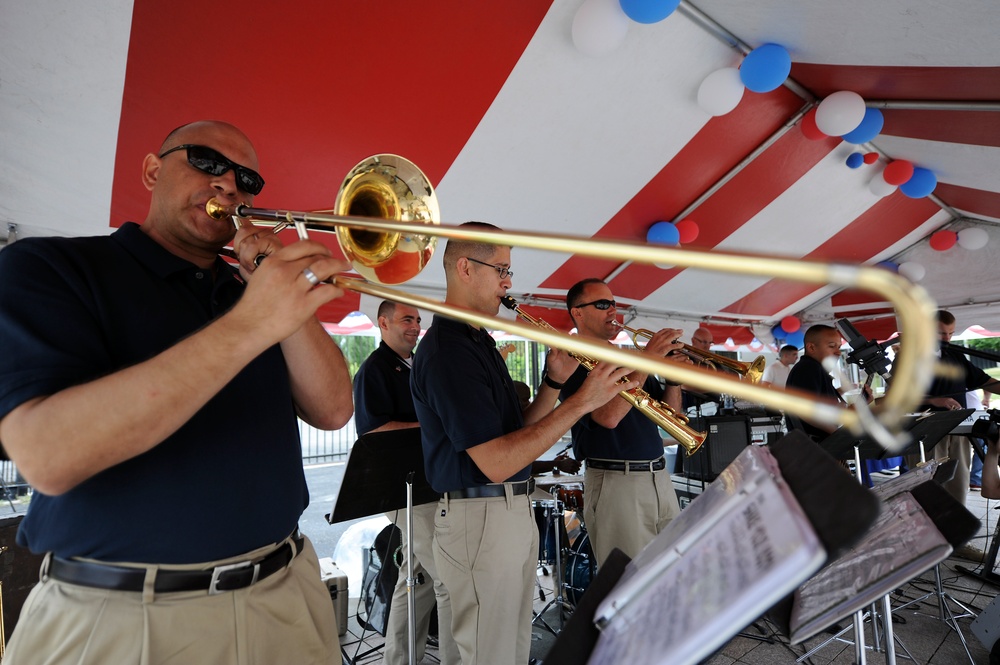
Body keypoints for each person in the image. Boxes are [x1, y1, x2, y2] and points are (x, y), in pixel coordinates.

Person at [0, 121, 354, 664]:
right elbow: (47, 454)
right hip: (122, 619)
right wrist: (251, 323)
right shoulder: (52, 266)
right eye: (207, 163)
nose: (230, 186)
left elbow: (333, 410)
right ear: (151, 170)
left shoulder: (254, 295)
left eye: (246, 179)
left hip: (286, 596)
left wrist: (278, 291)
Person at [410, 224, 630, 664]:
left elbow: (513, 433)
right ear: (466, 268)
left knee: (508, 651)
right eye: (502, 270)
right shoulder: (448, 350)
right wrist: (582, 402)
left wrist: (554, 383)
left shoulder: (478, 341)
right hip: (482, 515)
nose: (509, 282)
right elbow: (495, 461)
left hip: (502, 512)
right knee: (490, 655)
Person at [352, 300, 458, 665]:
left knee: (415, 581)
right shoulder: (373, 371)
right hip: (407, 491)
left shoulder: (418, 365)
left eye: (417, 319)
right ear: (383, 323)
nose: (415, 326)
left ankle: (398, 659)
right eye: (406, 319)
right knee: (446, 579)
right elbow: (372, 431)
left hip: (431, 485)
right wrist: (434, 425)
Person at [559, 278, 686, 567]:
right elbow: (608, 417)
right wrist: (648, 359)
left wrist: (673, 377)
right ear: (577, 312)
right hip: (617, 482)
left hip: (658, 477)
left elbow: (670, 419)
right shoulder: (569, 359)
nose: (612, 310)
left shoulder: (627, 358)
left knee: (672, 572)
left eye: (614, 303)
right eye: (602, 304)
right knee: (629, 581)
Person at [918, 311, 1000, 531]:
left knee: (958, 482)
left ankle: (956, 536)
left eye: (951, 333)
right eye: (941, 333)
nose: (947, 338)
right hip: (926, 433)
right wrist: (937, 400)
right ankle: (928, 539)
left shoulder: (955, 355)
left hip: (959, 429)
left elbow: (985, 381)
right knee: (928, 485)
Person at [785, 324, 851, 442]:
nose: (838, 352)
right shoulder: (808, 368)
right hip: (815, 448)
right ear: (811, 348)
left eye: (839, 347)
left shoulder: (815, 368)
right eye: (832, 346)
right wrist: (837, 436)